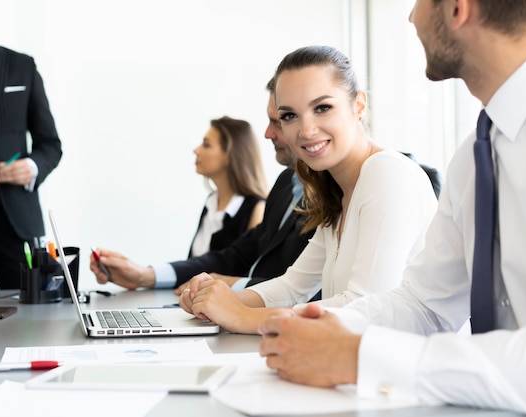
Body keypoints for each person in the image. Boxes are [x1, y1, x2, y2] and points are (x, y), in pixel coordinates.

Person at [257, 1, 526, 416]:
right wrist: (319, 327)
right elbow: (425, 306)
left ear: (458, 9)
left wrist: (360, 356)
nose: (410, 18)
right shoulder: (475, 156)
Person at [179, 45, 438, 334]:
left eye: (322, 108)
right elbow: (293, 287)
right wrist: (215, 302)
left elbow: (364, 306)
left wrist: (241, 316)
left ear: (359, 106)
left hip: (397, 370)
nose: (306, 130)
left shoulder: (387, 173)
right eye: (289, 116)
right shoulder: (335, 188)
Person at [90, 79, 315, 293]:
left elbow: (305, 290)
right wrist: (145, 275)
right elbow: (232, 257)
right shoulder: (285, 184)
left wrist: (230, 284)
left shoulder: (331, 197)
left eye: (279, 120)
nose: (267, 133)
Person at [0, 0, 62, 290]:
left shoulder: (22, 66)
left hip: (19, 227)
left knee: (34, 323)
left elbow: (50, 144)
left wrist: (32, 166)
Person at [188, 116, 267, 258]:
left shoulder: (257, 209)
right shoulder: (211, 202)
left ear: (229, 155)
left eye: (206, 145)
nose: (196, 150)